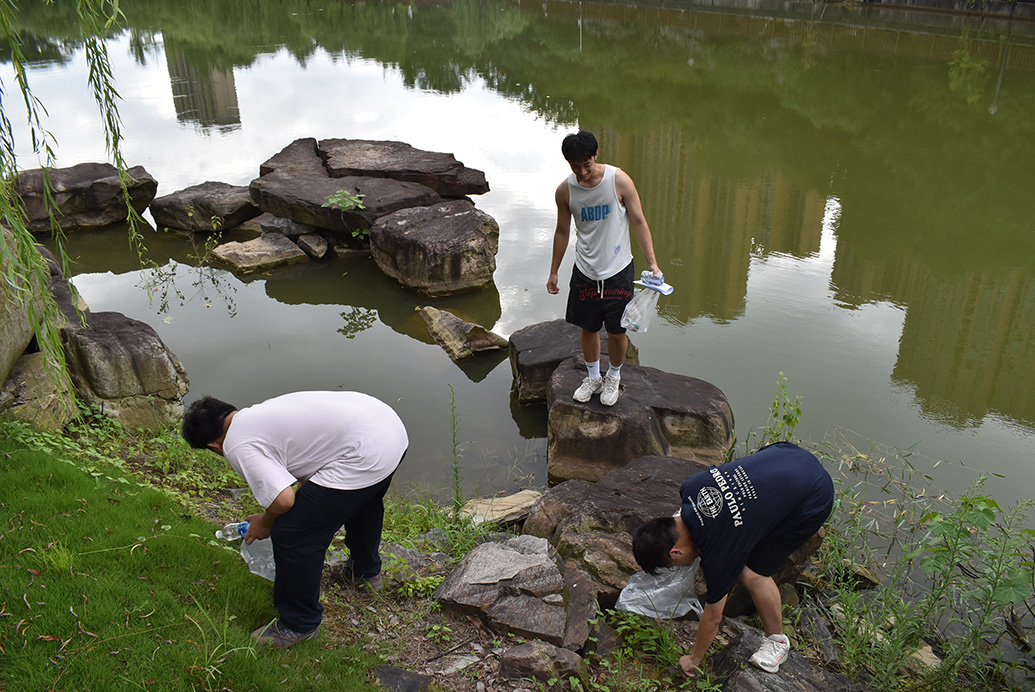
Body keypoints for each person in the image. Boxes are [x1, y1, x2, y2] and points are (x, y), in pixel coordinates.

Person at [181, 390, 408, 649]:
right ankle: (365, 573)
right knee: (363, 503)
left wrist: (266, 522)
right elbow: (307, 469)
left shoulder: (236, 444)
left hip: (364, 452)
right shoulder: (259, 412)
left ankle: (299, 624)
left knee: (292, 533)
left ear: (213, 446)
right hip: (388, 428)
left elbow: (283, 501)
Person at [632, 442, 834, 677]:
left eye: (677, 564)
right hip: (788, 453)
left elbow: (713, 617)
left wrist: (694, 658)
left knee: (752, 572)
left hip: (816, 495)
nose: (684, 566)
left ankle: (777, 642)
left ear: (675, 552)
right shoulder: (692, 486)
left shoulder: (720, 552)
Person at [547, 130, 661, 407]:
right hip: (585, 270)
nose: (582, 172)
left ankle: (614, 376)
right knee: (588, 328)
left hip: (618, 270)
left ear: (595, 155)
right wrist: (554, 271)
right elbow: (562, 231)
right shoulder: (565, 191)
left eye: (586, 164)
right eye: (575, 166)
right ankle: (593, 377)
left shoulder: (618, 180)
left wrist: (652, 263)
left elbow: (638, 221)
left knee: (618, 331)